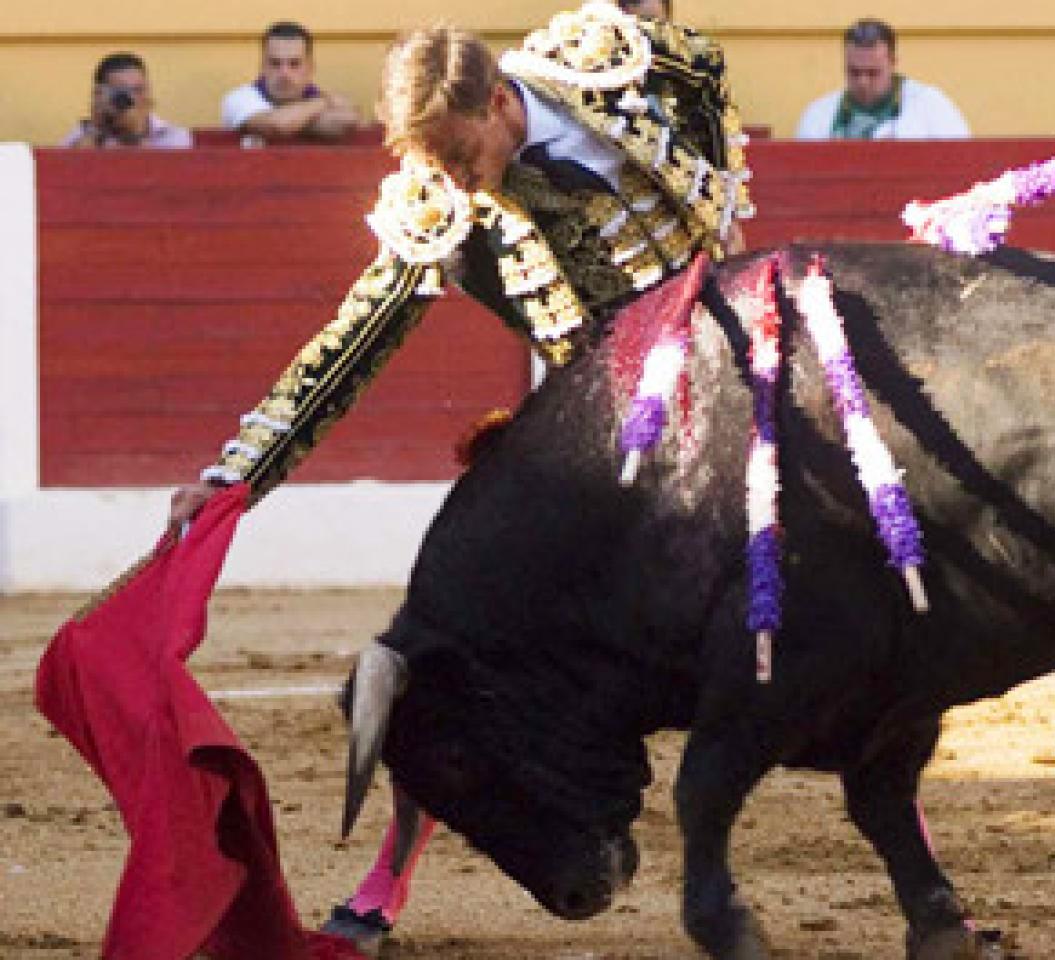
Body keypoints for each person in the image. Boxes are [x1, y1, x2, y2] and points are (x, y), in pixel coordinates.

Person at [166, 3, 753, 949]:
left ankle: (923, 876)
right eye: (425, 158)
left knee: (858, 607)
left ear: (501, 103)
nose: (442, 177)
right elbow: (351, 341)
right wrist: (234, 476)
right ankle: (387, 877)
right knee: (453, 652)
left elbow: (704, 70)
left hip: (741, 397)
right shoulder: (440, 202)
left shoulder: (613, 72)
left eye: (453, 150)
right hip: (601, 445)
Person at [794, 18, 968, 140]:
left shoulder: (931, 106)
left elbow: (962, 162)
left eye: (873, 73)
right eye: (854, 72)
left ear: (893, 63)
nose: (863, 82)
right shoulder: (819, 114)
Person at [220, 21, 361, 143]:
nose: (284, 74)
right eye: (275, 63)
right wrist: (323, 102)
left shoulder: (315, 96)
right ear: (262, 67)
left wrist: (293, 123)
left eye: (294, 64)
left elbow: (348, 120)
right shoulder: (239, 98)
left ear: (310, 68)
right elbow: (276, 126)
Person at [61, 52, 192, 150]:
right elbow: (70, 167)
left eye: (139, 90)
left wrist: (136, 133)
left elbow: (159, 174)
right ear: (99, 94)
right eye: (122, 92)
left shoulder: (172, 134)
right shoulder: (84, 134)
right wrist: (97, 128)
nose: (133, 99)